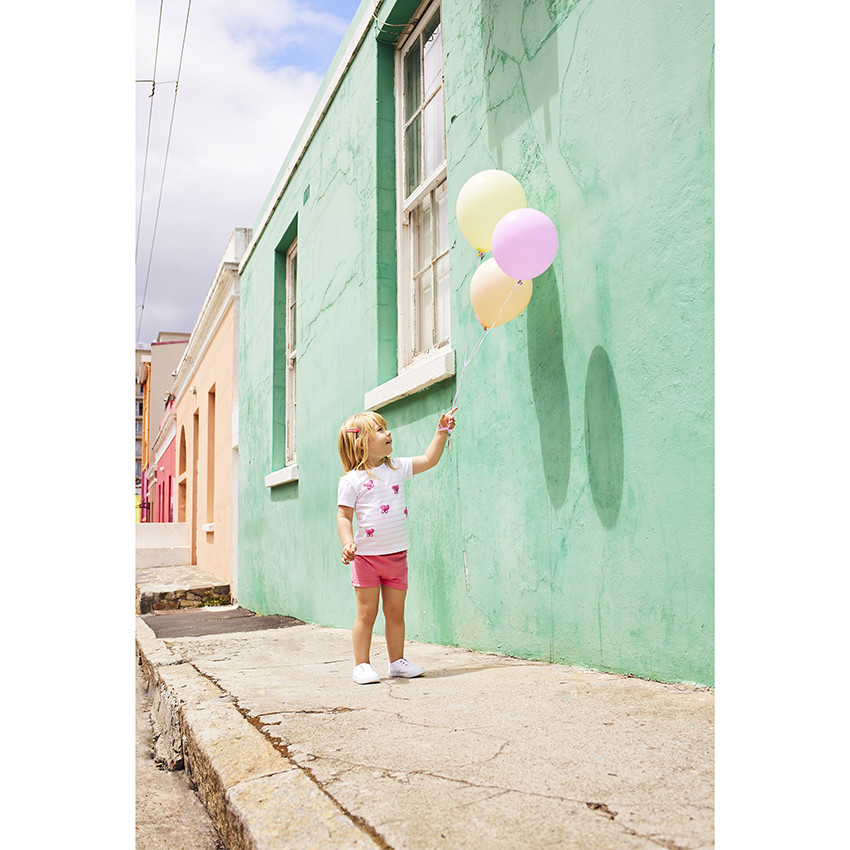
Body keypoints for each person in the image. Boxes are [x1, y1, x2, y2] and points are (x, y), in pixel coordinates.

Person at [337, 407, 457, 684]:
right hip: (366, 558)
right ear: (361, 443)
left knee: (395, 613)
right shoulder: (351, 481)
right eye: (379, 430)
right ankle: (362, 665)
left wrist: (442, 432)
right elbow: (343, 516)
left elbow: (429, 459)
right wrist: (348, 542)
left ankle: (397, 662)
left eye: (385, 427)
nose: (388, 433)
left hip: (396, 556)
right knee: (366, 614)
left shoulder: (396, 467)